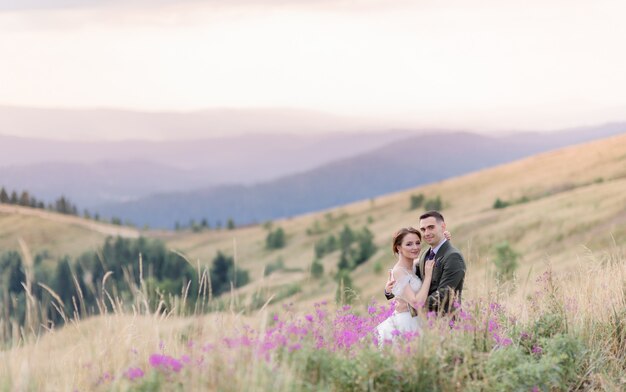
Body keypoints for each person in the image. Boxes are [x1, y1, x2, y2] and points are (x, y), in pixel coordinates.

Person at [385, 210, 466, 315]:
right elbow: (406, 276)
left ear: (443, 227)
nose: (426, 233)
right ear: (399, 248)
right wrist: (388, 291)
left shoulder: (453, 257)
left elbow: (444, 295)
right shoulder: (424, 256)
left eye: (431, 227)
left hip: (447, 321)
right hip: (425, 322)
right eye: (423, 229)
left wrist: (410, 307)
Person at [375, 227, 435, 345]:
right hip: (406, 322)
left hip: (418, 319)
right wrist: (428, 277)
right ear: (399, 248)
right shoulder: (398, 271)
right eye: (409, 244)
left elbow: (431, 255)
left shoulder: (413, 265)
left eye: (417, 243)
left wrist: (444, 240)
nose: (415, 247)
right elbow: (416, 303)